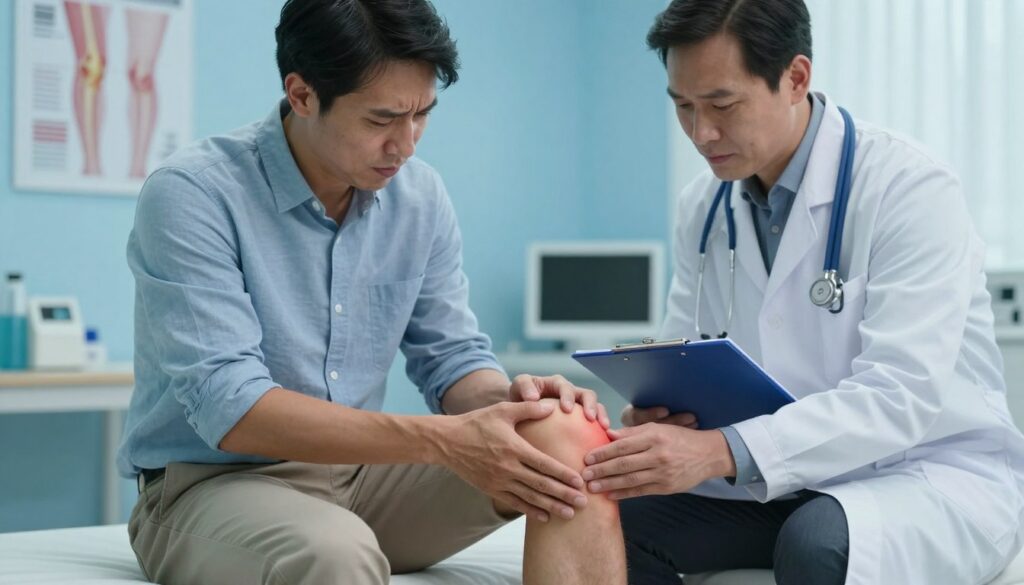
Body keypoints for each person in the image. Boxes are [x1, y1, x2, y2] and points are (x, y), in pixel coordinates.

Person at [117, 1, 625, 584]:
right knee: (335, 552)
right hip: (218, 484)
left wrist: (513, 404)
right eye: (381, 120)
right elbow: (232, 407)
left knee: (568, 441)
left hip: (363, 481)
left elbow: (452, 359)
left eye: (422, 116)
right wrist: (443, 441)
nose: (405, 146)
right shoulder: (194, 195)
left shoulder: (420, 197)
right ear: (303, 94)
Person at [580, 1, 1024, 584]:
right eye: (683, 107)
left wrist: (719, 451)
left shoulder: (908, 189)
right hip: (780, 479)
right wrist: (660, 417)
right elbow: (682, 349)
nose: (700, 132)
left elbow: (900, 395)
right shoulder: (704, 206)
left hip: (922, 475)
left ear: (795, 78)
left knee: (818, 544)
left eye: (721, 104)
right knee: (606, 521)